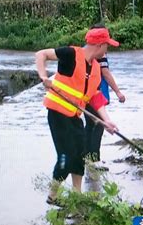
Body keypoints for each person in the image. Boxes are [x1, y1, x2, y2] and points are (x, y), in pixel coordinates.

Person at [35, 26, 118, 205]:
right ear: (100, 45)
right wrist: (43, 77)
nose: (107, 50)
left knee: (80, 154)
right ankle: (53, 195)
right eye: (107, 46)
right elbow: (41, 54)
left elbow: (96, 97)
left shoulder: (95, 68)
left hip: (74, 116)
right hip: (57, 114)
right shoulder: (70, 53)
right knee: (66, 156)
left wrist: (107, 121)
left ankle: (77, 195)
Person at [84, 26, 126, 171]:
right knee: (97, 127)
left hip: (90, 96)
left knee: (90, 126)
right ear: (99, 44)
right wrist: (118, 92)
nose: (107, 47)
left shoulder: (90, 54)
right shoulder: (98, 55)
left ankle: (86, 157)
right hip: (94, 95)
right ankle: (94, 160)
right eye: (106, 43)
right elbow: (106, 73)